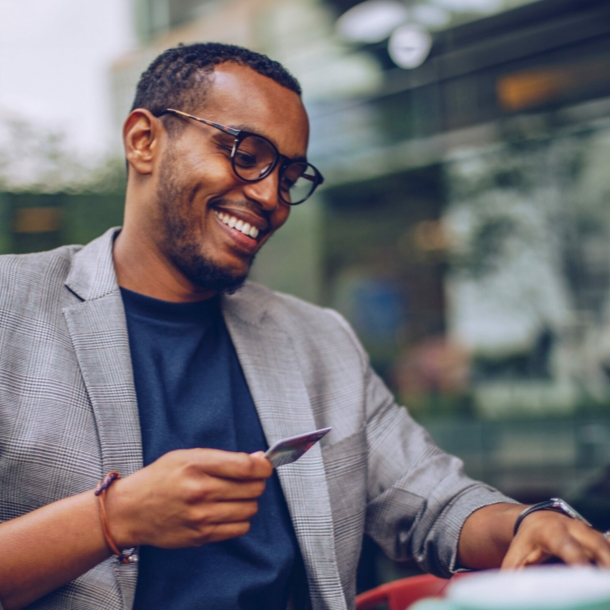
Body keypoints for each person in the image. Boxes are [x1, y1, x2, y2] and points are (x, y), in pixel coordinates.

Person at [0, 43, 608, 610]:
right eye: (246, 154)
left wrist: (529, 523)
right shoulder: (12, 309)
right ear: (143, 140)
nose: (270, 198)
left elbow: (435, 503)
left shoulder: (319, 341)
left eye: (288, 178)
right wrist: (113, 519)